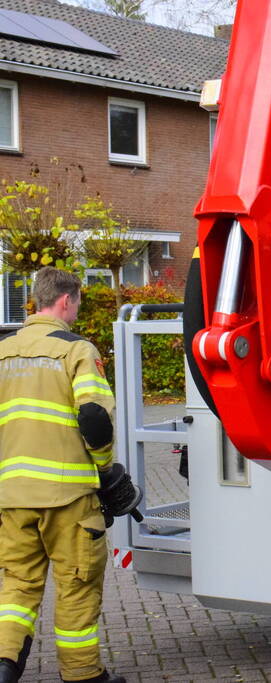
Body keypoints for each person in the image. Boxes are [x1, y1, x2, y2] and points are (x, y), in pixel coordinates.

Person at [0, 267, 124, 683]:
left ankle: (4, 665)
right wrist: (106, 469)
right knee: (77, 586)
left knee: (17, 587)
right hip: (68, 498)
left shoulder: (2, 351)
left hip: (12, 497)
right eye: (78, 304)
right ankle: (83, 675)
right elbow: (94, 419)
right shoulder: (77, 351)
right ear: (66, 300)